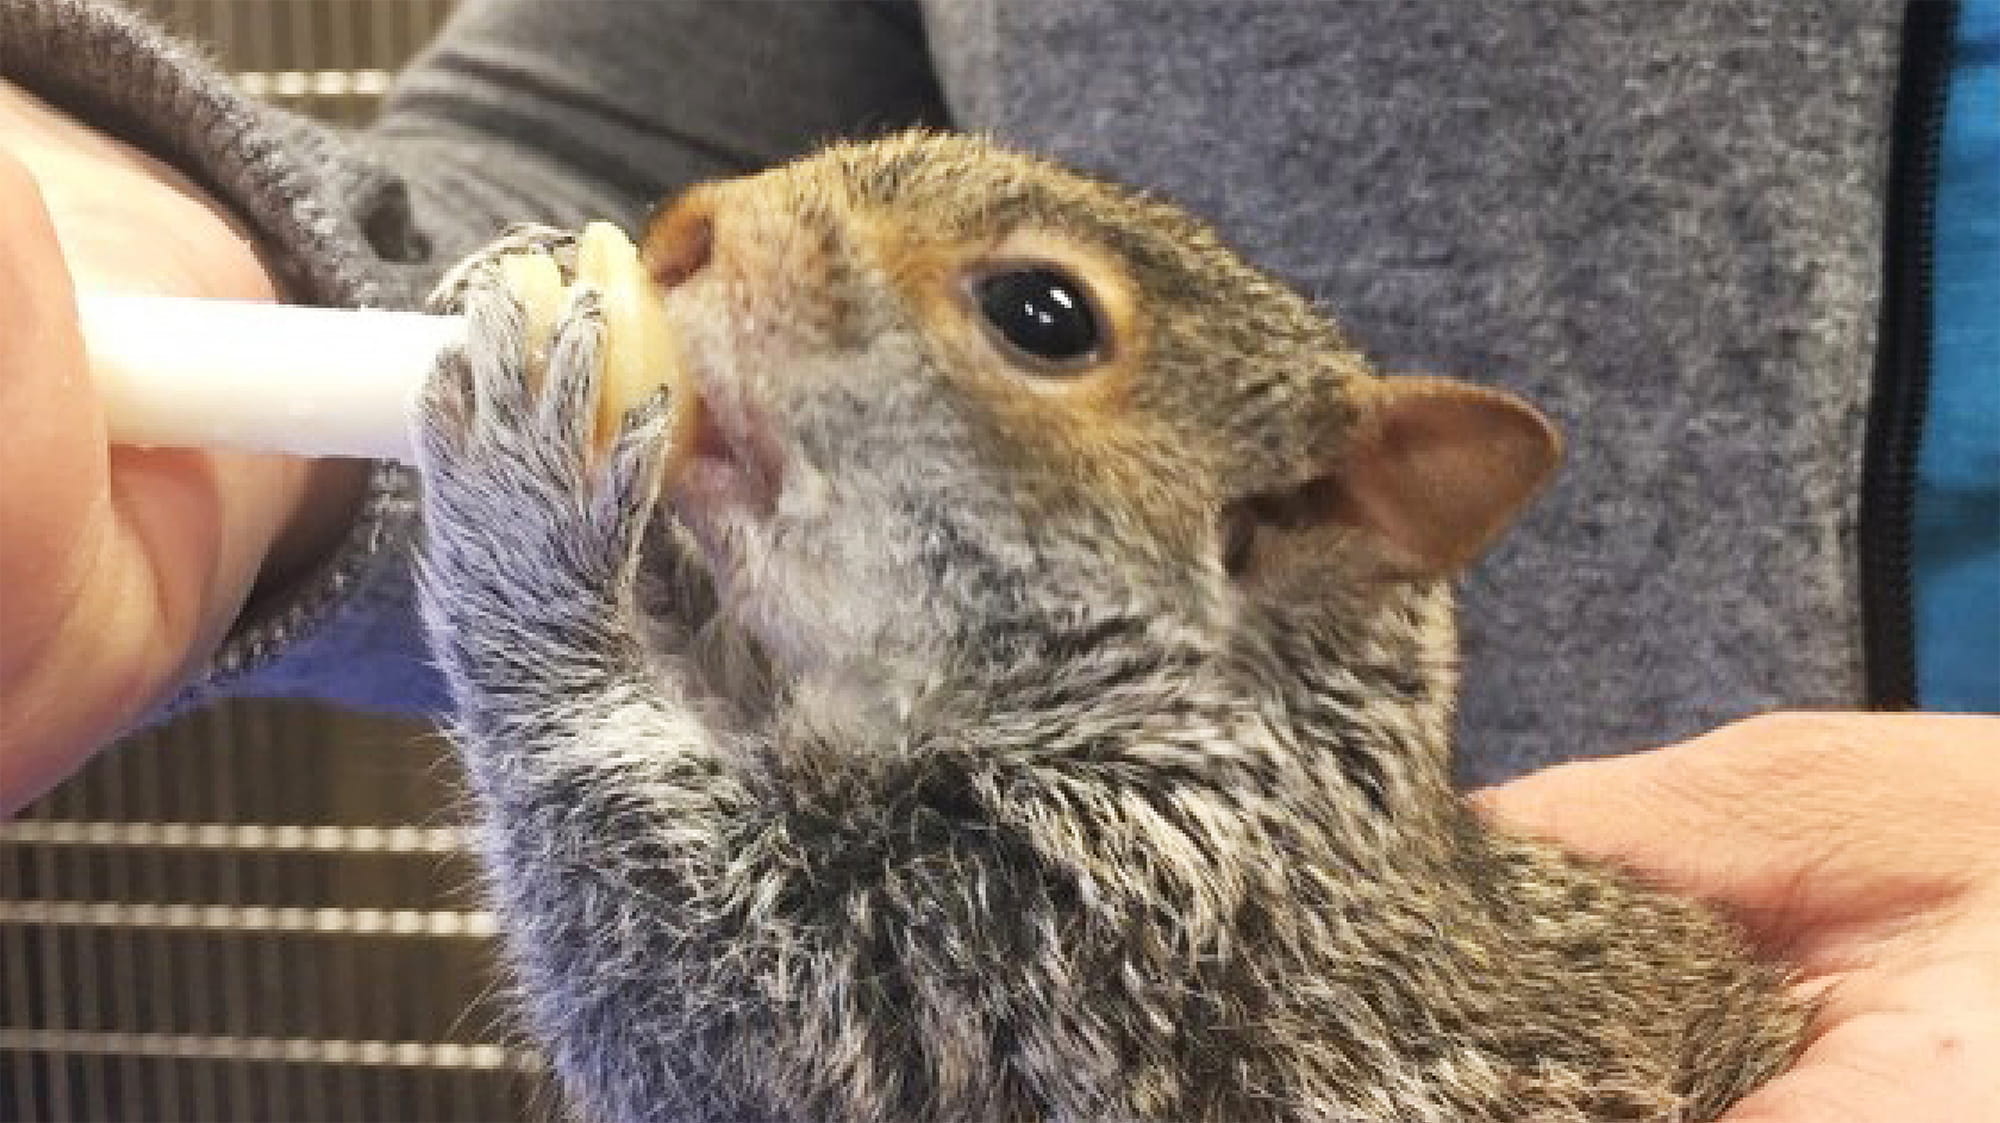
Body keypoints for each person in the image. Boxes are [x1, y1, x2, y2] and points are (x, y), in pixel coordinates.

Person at [1, 1, 1994, 1116]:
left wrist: (548, 640)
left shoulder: (1175, 851)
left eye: (1041, 326)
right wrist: (132, 267)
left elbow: (721, 1047)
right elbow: (574, 151)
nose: (698, 239)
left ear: (1288, 522)